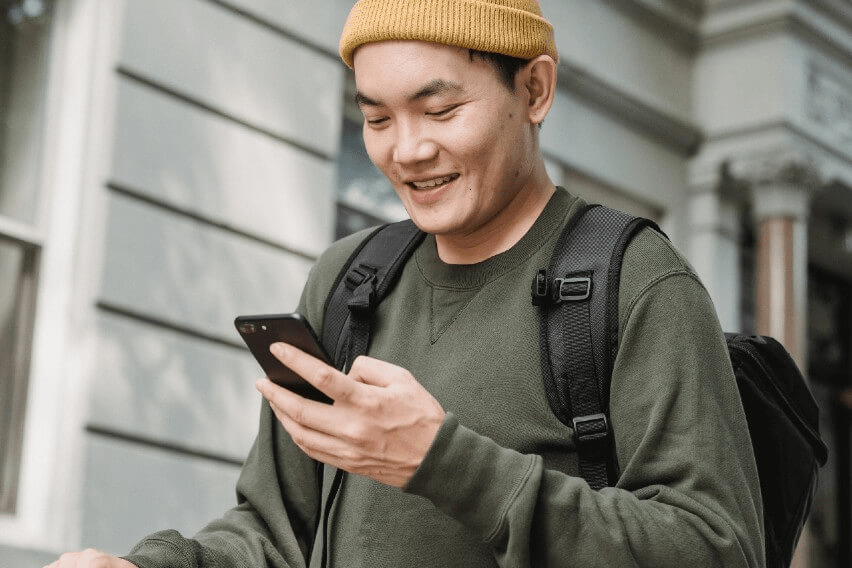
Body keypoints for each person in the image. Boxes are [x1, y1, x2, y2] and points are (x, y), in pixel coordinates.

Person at [46, 0, 765, 566]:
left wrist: (442, 462)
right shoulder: (349, 281)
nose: (408, 150)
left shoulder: (638, 283)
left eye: (441, 109)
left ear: (535, 89)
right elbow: (273, 535)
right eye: (377, 117)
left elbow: (713, 549)